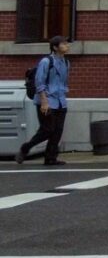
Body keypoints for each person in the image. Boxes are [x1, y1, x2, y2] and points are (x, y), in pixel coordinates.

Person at [16, 35, 71, 166]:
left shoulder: (66, 63)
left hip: (60, 101)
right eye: (63, 44)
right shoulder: (46, 62)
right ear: (55, 47)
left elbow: (63, 82)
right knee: (47, 129)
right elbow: (39, 82)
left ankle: (50, 158)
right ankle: (25, 148)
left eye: (66, 43)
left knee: (58, 130)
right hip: (47, 100)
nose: (67, 46)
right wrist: (44, 101)